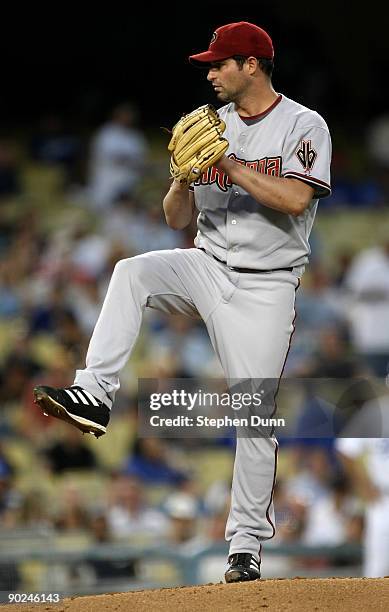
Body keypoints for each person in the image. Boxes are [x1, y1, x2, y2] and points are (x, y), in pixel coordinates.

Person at [34, 21, 332, 583]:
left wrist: (231, 167)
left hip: (266, 286)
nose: (211, 73)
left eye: (220, 64)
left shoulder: (302, 124)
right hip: (207, 263)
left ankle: (244, 548)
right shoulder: (212, 125)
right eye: (210, 66)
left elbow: (295, 200)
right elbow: (177, 220)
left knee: (254, 417)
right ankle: (94, 393)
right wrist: (180, 179)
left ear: (252, 65)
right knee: (131, 272)